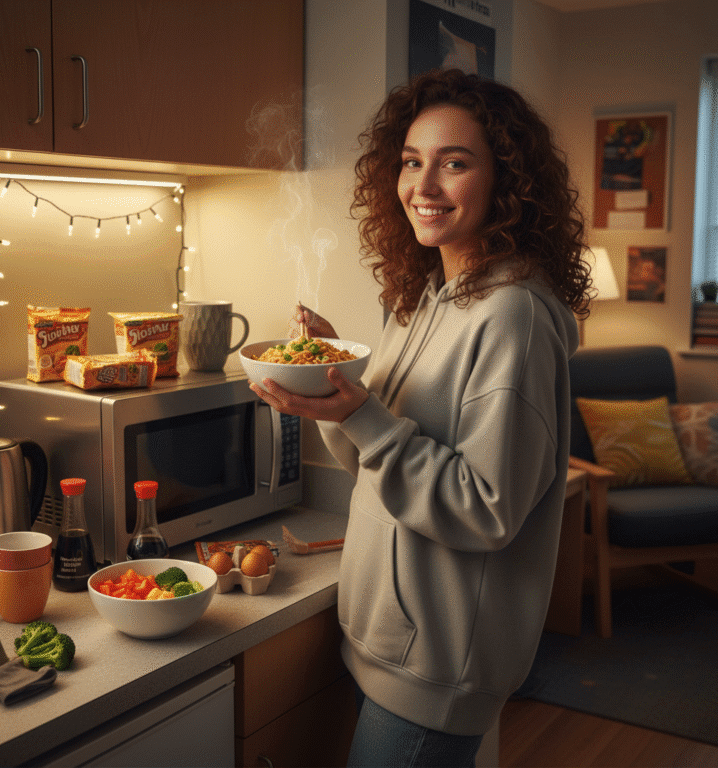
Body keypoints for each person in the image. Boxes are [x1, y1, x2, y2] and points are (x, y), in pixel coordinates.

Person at [249, 68, 591, 767]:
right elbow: (372, 462)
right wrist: (331, 389)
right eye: (411, 162)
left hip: (435, 671)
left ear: (508, 180)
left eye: (454, 163)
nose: (423, 186)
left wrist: (366, 414)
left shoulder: (514, 316)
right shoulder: (428, 297)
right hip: (385, 643)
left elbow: (487, 510)